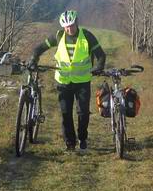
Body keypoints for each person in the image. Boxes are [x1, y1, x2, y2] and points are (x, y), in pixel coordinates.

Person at [29, 9, 106, 151]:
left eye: (71, 25)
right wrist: (34, 58)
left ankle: (82, 138)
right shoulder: (58, 36)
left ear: (76, 23)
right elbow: (39, 48)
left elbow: (101, 55)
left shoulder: (87, 36)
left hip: (82, 81)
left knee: (83, 113)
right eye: (66, 26)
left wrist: (99, 67)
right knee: (65, 113)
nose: (69, 29)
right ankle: (70, 143)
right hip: (63, 82)